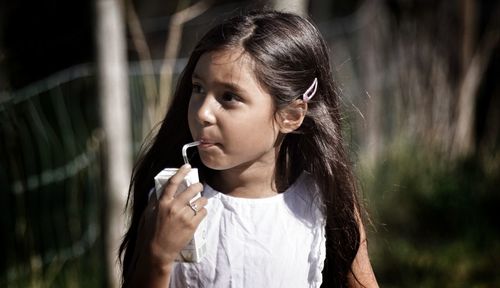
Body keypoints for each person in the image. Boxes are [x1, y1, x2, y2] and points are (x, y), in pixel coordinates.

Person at [119, 10, 378, 288]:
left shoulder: (321, 201)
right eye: (198, 88)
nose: (203, 112)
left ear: (290, 115)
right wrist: (158, 255)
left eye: (229, 97)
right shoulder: (170, 204)